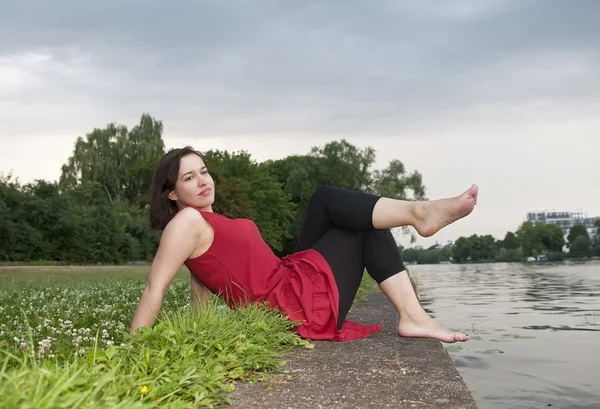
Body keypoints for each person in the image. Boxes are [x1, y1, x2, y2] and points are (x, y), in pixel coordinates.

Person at [131, 147, 479, 343]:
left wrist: (203, 329)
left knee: (337, 205)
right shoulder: (186, 223)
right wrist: (136, 350)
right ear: (173, 193)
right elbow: (153, 290)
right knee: (356, 218)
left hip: (287, 277)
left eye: (203, 171)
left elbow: (203, 285)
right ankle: (418, 218)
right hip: (289, 305)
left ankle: (414, 305)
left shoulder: (204, 223)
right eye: (189, 178)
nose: (203, 181)